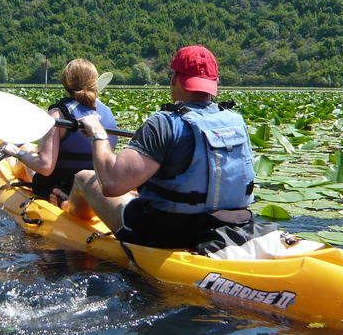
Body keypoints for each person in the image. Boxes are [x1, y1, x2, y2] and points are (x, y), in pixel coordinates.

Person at [66, 45, 264, 252]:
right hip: (233, 225)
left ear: (175, 79)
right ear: (215, 83)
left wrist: (98, 134)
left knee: (83, 177)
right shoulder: (236, 121)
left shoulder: (163, 124)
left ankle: (66, 220)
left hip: (171, 233)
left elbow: (111, 184)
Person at [0, 58, 119, 206]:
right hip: (95, 186)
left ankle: (12, 158)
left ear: (65, 82)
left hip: (60, 185)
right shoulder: (108, 113)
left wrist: (17, 152)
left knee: (24, 153)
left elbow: (45, 167)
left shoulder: (58, 115)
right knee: (30, 151)